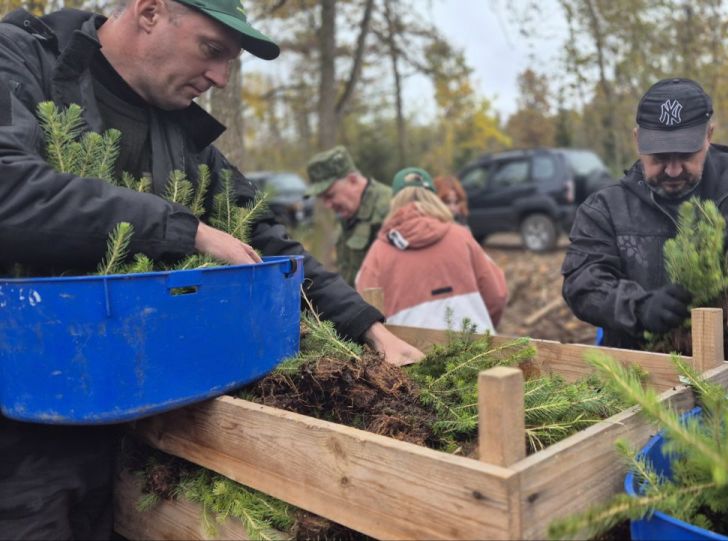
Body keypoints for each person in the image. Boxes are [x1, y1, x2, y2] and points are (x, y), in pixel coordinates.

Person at [0, 1, 421, 538]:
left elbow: (267, 238)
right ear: (150, 12)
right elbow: (8, 189)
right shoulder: (23, 58)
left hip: (145, 419)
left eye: (232, 61)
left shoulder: (179, 133)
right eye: (212, 50)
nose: (221, 77)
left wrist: (368, 327)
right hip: (23, 426)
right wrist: (187, 230)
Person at [562, 78, 728, 349]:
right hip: (638, 374)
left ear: (709, 136)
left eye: (686, 155)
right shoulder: (607, 208)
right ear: (636, 140)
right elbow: (582, 282)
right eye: (660, 157)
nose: (674, 170)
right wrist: (639, 307)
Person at [355, 167, 507, 333]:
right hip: (476, 348)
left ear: (394, 202)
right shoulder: (462, 237)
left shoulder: (379, 252)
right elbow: (497, 296)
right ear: (433, 199)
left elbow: (364, 312)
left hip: (410, 355)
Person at [306, 145, 392, 287]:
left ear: (352, 180)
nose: (328, 205)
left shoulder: (389, 209)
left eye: (330, 195)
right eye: (322, 198)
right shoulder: (348, 217)